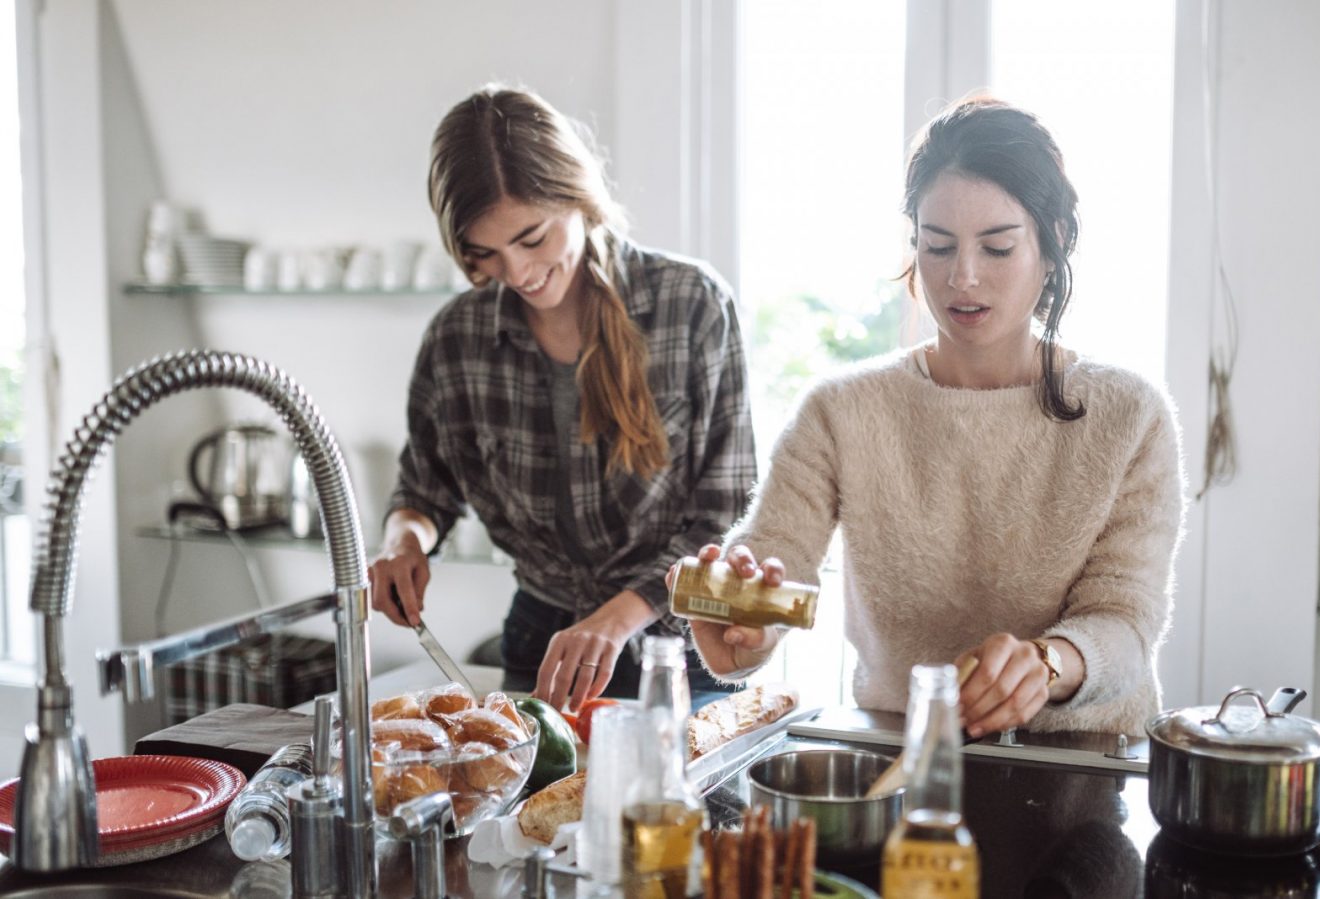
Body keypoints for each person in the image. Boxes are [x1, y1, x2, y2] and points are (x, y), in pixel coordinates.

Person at [678, 97, 1185, 738]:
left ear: (1053, 243)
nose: (962, 278)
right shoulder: (841, 411)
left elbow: (1125, 617)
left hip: (1084, 761)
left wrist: (1050, 664)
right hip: (902, 754)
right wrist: (743, 625)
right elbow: (776, 554)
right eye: (937, 246)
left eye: (997, 248)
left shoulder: (1130, 415)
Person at [372, 85, 756, 713]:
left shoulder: (692, 306)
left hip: (683, 652)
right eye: (485, 254)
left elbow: (726, 517)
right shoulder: (456, 338)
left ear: (578, 197)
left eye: (532, 237)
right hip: (541, 648)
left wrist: (615, 617)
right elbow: (423, 489)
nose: (518, 273)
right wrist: (403, 541)